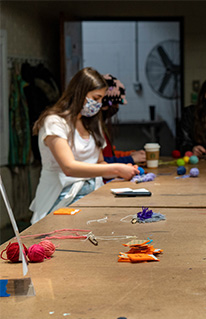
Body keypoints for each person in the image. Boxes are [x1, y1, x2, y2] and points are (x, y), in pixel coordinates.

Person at [29, 67, 139, 224]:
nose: (99, 104)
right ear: (80, 92)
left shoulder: (93, 123)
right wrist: (116, 169)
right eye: (96, 98)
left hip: (93, 196)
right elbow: (69, 168)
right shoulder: (54, 122)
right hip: (60, 198)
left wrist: (122, 172)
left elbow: (100, 163)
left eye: (101, 99)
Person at [101, 74, 146, 164]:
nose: (117, 107)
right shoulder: (93, 130)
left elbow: (110, 155)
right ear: (105, 105)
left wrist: (129, 154)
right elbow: (100, 162)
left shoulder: (101, 127)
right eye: (115, 104)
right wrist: (130, 159)